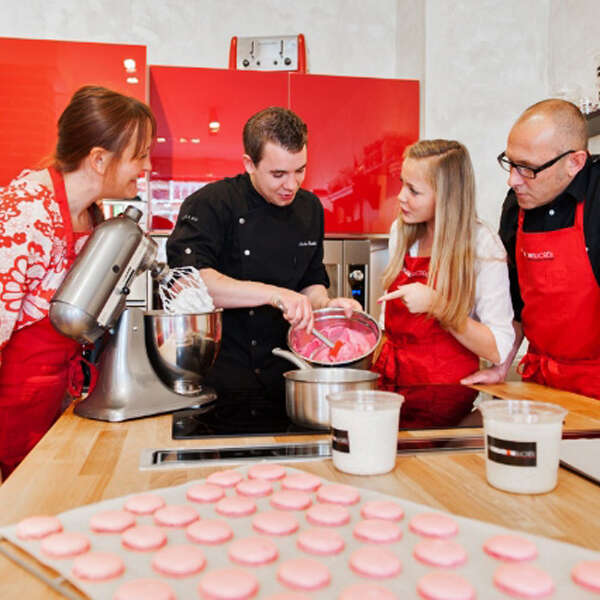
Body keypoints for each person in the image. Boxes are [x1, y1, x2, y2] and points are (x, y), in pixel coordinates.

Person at [0, 85, 155, 479]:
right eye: (139, 156)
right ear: (100, 159)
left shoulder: (92, 215)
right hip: (12, 409)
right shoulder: (25, 215)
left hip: (58, 402)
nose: (148, 166)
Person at [167, 107, 360, 421]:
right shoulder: (211, 204)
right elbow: (191, 285)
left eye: (300, 170)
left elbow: (311, 283)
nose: (292, 185)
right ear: (249, 164)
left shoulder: (310, 208)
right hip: (221, 381)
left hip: (289, 379)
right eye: (278, 174)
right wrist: (277, 294)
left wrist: (329, 307)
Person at [463, 99, 599, 398]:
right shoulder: (516, 206)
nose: (513, 180)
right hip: (541, 383)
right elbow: (516, 305)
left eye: (527, 169)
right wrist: (502, 365)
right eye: (510, 163)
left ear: (574, 162)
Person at [374, 139, 515, 394]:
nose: (401, 197)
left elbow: (498, 347)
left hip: (444, 396)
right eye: (402, 184)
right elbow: (388, 325)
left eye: (414, 191)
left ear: (447, 196)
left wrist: (438, 306)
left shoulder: (482, 246)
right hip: (391, 386)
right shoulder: (401, 232)